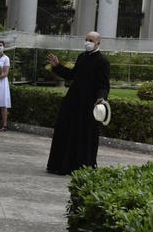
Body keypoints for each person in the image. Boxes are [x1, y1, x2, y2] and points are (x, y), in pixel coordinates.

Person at [46, 31, 110, 175]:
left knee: (84, 134)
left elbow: (104, 85)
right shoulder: (82, 57)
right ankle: (61, 164)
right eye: (86, 39)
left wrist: (101, 98)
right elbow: (72, 75)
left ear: (98, 43)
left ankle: (81, 166)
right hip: (73, 100)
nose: (87, 42)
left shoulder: (103, 61)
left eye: (91, 40)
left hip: (88, 104)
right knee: (65, 129)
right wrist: (57, 66)